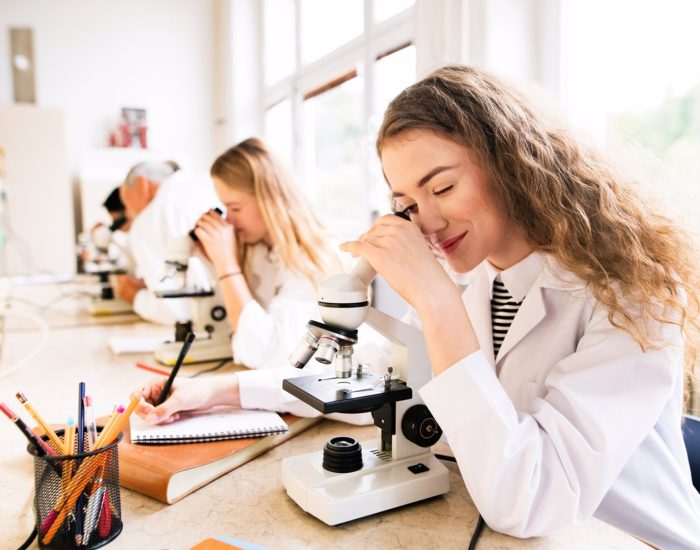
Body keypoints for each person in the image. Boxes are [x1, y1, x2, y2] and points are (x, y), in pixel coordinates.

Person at [336, 65, 700, 548]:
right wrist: (224, 393)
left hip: (629, 539)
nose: (428, 220)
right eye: (407, 203)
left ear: (511, 162)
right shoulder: (471, 280)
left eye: (442, 188)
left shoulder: (634, 293)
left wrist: (436, 302)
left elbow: (528, 500)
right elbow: (376, 378)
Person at [135, 138, 372, 423]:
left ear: (268, 200)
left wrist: (226, 265)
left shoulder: (314, 260)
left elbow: (267, 356)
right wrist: (213, 259)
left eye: (235, 208)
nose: (230, 221)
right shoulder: (259, 249)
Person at [116, 160, 220, 323]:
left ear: (143, 185)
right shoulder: (208, 182)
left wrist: (134, 296)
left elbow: (175, 312)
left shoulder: (149, 219)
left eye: (127, 203)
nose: (129, 214)